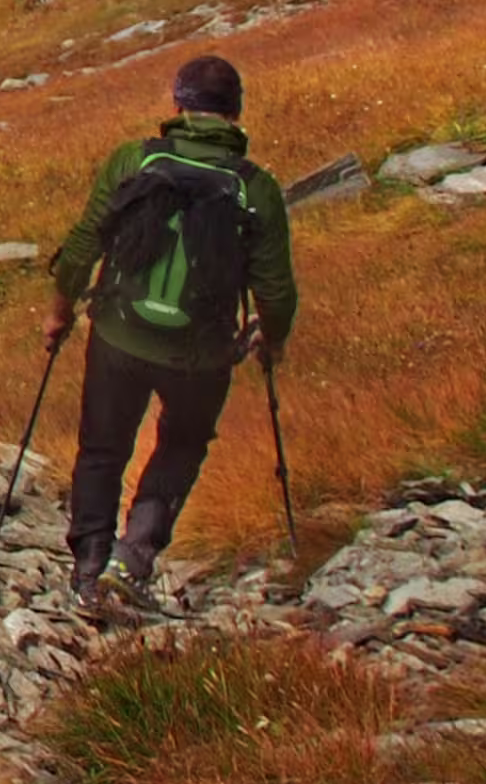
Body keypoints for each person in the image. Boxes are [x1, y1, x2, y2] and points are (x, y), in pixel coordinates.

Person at [47, 51, 298, 608]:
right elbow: (276, 291)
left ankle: (88, 565)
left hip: (118, 336)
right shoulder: (254, 188)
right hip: (201, 355)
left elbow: (82, 245)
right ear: (235, 115)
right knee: (180, 446)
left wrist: (61, 310)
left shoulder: (133, 161)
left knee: (102, 447)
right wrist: (272, 337)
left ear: (178, 105)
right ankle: (132, 554)